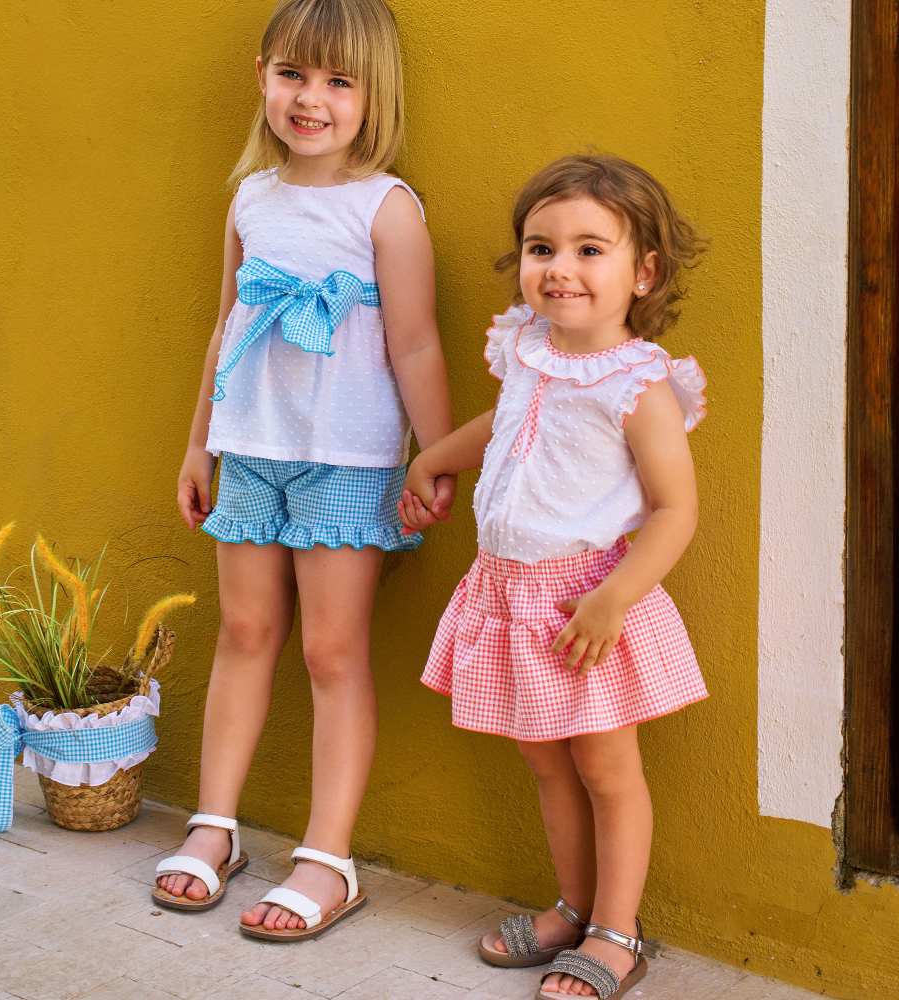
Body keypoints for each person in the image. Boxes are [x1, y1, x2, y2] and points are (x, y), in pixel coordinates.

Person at [154, 0, 452, 943]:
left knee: (331, 652)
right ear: (261, 77)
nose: (310, 99)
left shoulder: (387, 209)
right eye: (293, 74)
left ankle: (329, 858)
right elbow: (225, 327)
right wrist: (200, 441)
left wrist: (433, 460)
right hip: (251, 449)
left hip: (348, 463)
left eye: (337, 81)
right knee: (245, 631)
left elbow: (414, 345)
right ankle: (214, 828)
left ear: (374, 97)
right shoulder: (251, 197)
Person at [399, 153, 707, 998]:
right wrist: (433, 459)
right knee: (545, 766)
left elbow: (675, 509)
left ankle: (617, 930)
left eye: (589, 250)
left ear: (643, 272)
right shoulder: (528, 348)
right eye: (541, 248)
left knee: (607, 770)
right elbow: (502, 424)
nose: (560, 269)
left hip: (585, 603)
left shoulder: (640, 384)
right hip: (506, 593)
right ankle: (571, 905)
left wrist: (615, 598)